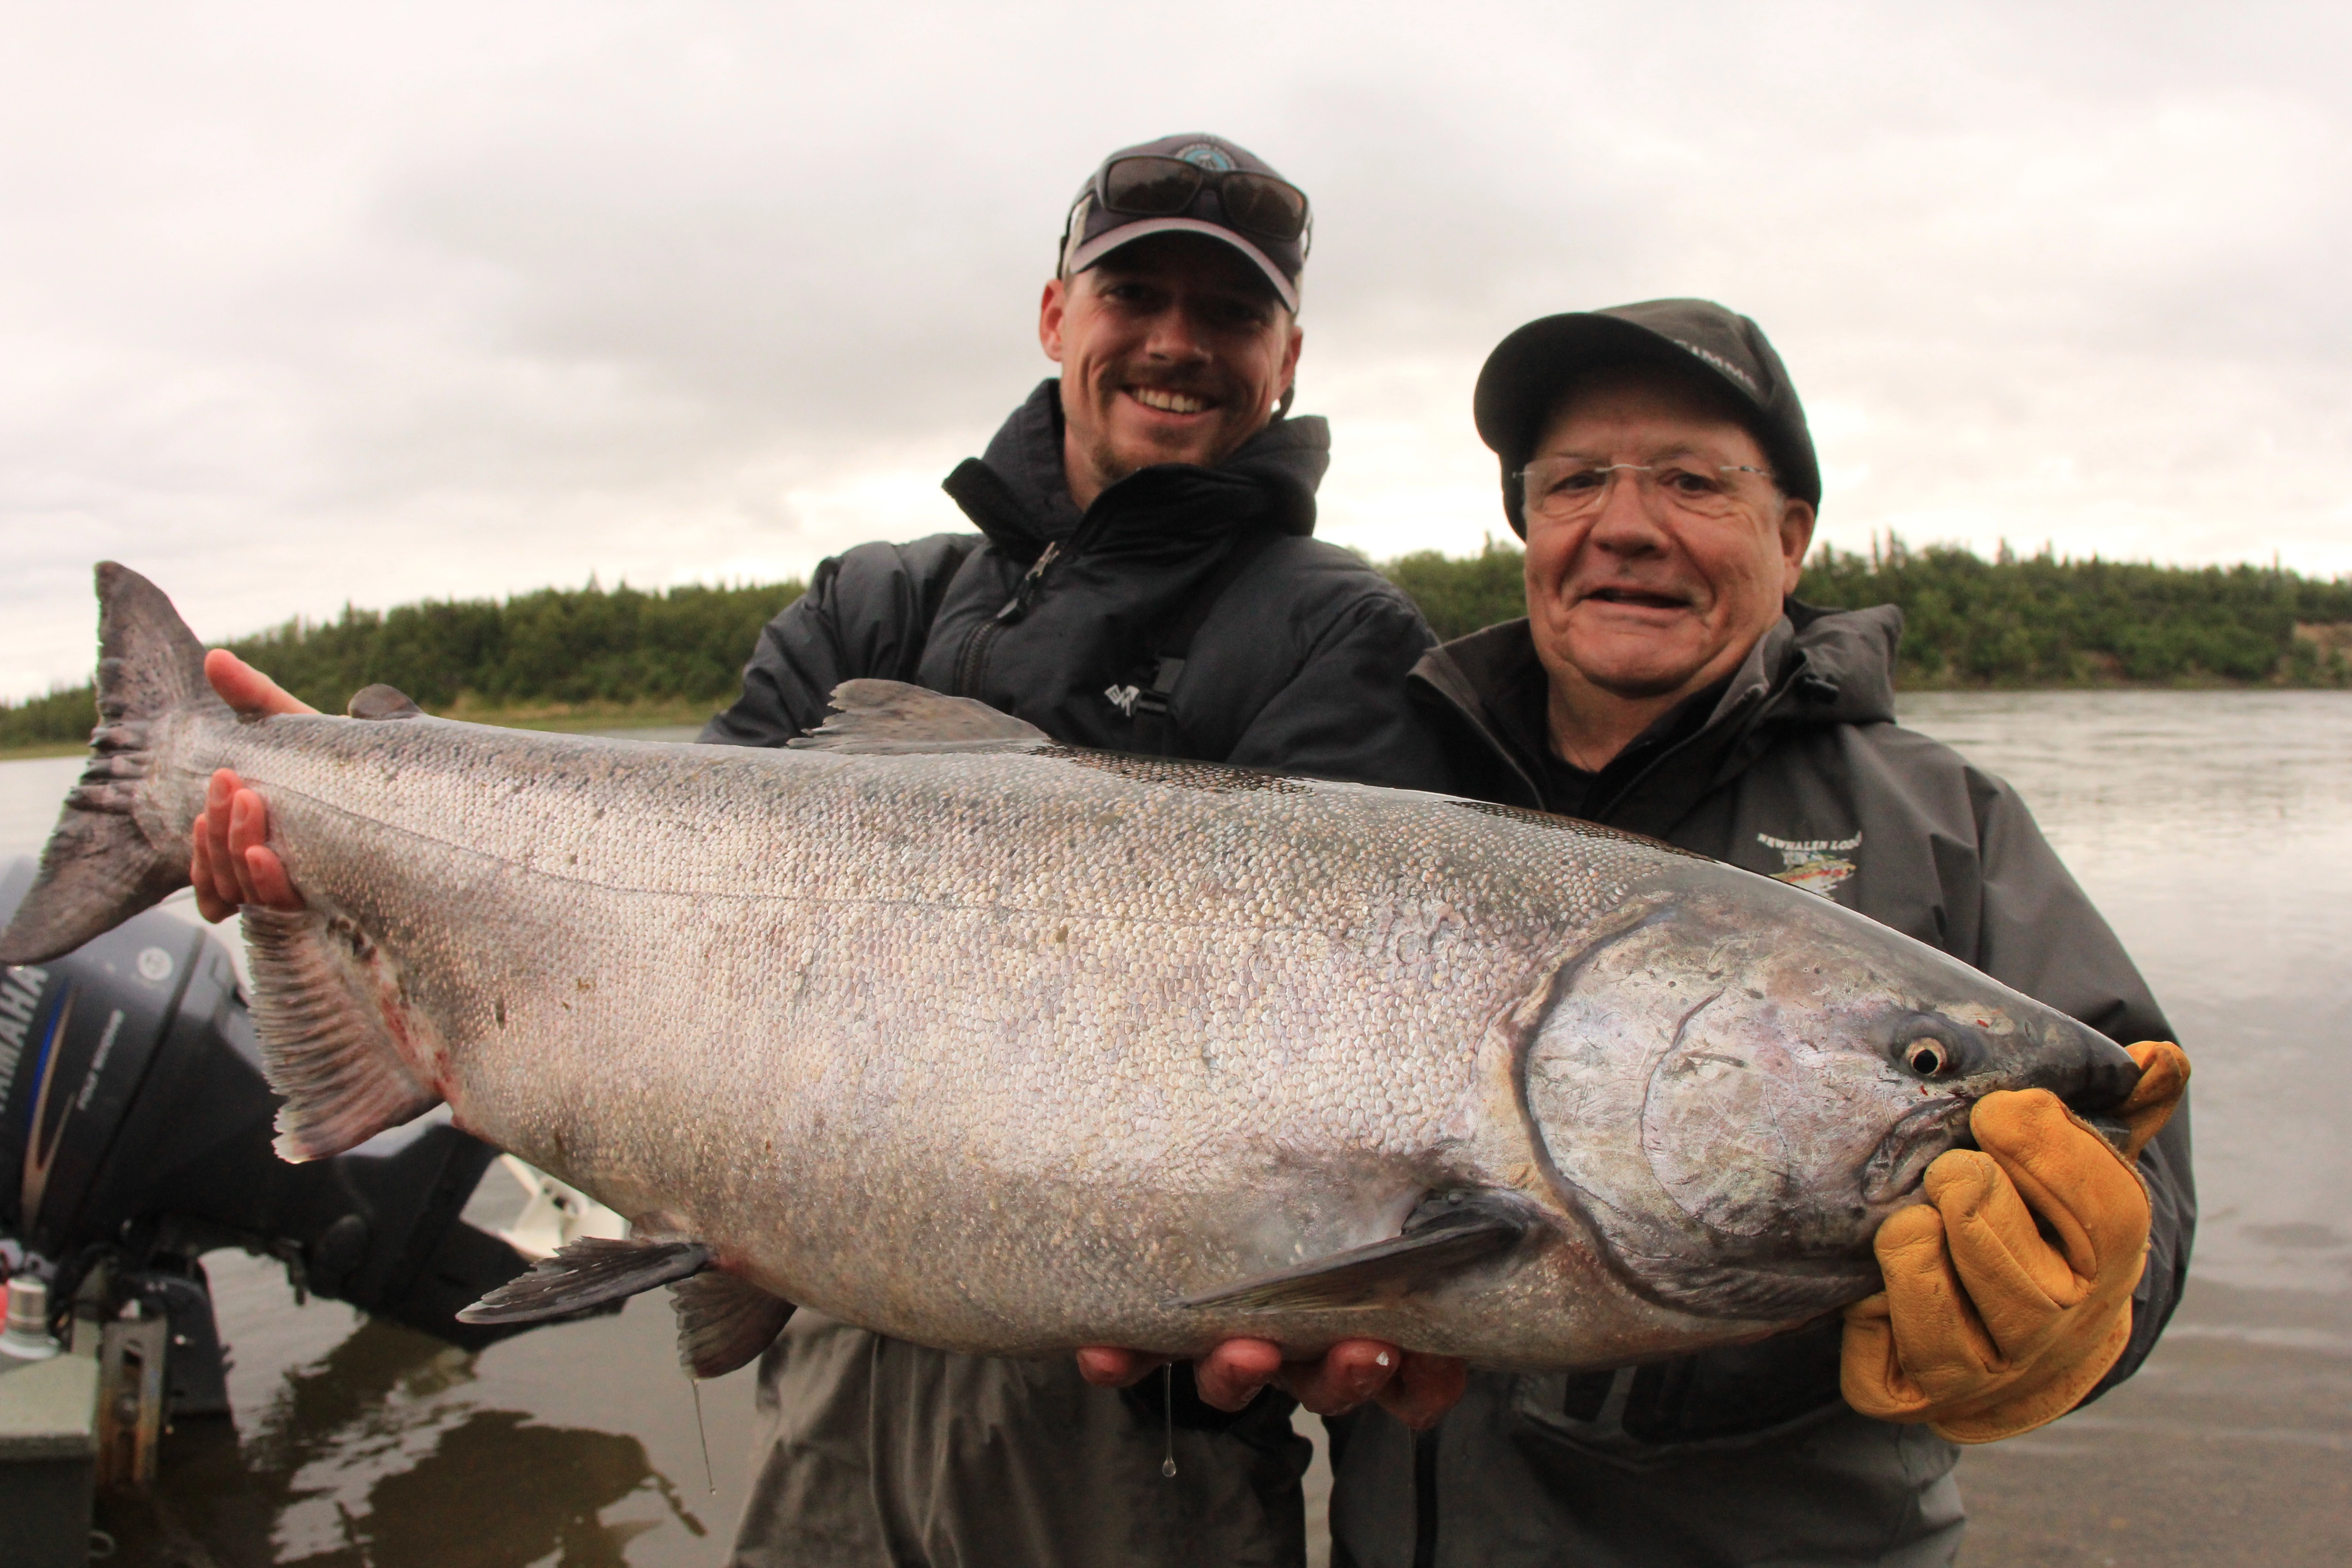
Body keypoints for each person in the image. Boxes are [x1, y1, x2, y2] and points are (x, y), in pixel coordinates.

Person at [185, 133, 1463, 1568]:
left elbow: (1357, 1055)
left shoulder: (1339, 636)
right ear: (1056, 319)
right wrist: (359, 818)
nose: (1176, 342)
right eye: (1134, 295)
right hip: (819, 1369)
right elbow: (650, 902)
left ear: (1288, 357)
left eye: (1228, 313)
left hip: (1128, 1432)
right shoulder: (876, 600)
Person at [1324, 299, 2195, 1567]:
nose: (1625, 525)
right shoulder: (1392, 789)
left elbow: (2126, 1134)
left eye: (1691, 481)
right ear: (1532, 530)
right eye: (1574, 482)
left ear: (1790, 540)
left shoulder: (1946, 823)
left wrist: (2097, 1297)